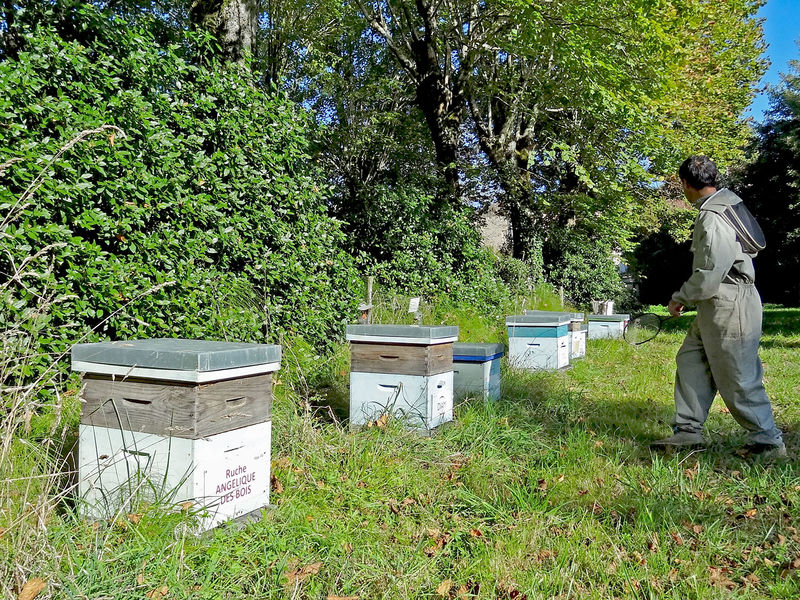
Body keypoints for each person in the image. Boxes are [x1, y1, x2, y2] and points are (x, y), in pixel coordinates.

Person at [650, 155, 786, 458]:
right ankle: (687, 432)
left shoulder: (712, 216)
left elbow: (710, 274)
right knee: (691, 361)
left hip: (729, 302)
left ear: (685, 184)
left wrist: (680, 297)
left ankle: (768, 443)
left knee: (738, 375)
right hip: (719, 304)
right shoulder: (726, 203)